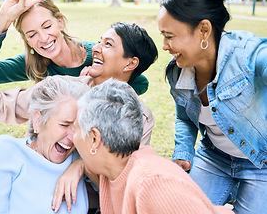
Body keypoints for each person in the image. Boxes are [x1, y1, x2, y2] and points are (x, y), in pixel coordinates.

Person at [0, 21, 158, 212]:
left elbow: (122, 181)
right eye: (100, 42)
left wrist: (81, 166)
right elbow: (1, 105)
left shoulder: (140, 119)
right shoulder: (67, 87)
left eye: (108, 45)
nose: (97, 49)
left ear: (130, 64)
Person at [157, 0, 267, 213]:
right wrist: (183, 153)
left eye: (169, 36)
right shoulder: (178, 72)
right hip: (214, 156)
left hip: (261, 164)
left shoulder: (247, 53)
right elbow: (185, 119)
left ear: (204, 30)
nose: (164, 45)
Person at [71, 78, 233, 214]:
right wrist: (77, 166)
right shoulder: (111, 169)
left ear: (94, 138)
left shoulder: (152, 182)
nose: (72, 136)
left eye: (75, 128)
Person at [0, 0, 149, 95]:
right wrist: (2, 22)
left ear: (60, 23)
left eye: (47, 26)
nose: (43, 38)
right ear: (27, 41)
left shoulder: (96, 57)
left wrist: (94, 87)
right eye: (32, 34)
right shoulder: (34, 63)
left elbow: (141, 83)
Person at [0, 76, 89, 213]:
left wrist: (81, 165)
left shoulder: (81, 157)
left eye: (78, 128)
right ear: (38, 121)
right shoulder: (7, 150)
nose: (72, 137)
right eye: (64, 124)